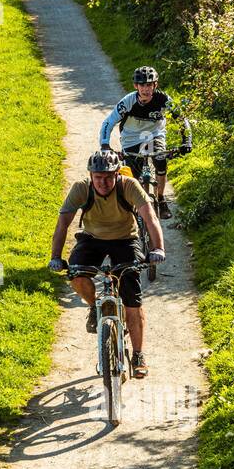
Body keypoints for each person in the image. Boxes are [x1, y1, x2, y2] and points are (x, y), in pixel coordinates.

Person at [48, 149, 165, 378]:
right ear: (90, 175)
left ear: (116, 174)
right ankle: (94, 306)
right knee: (76, 273)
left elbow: (150, 217)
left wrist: (158, 248)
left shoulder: (128, 186)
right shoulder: (81, 188)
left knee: (132, 295)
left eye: (108, 177)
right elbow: (62, 224)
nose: (103, 182)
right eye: (98, 177)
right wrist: (55, 257)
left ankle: (138, 354)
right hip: (92, 239)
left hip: (125, 240)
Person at [99, 66, 192, 218]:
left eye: (149, 85)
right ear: (136, 86)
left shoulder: (164, 100)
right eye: (142, 85)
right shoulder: (128, 102)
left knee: (160, 159)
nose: (146, 89)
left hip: (154, 135)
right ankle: (131, 209)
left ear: (155, 85)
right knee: (132, 180)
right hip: (131, 138)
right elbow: (108, 123)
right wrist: (104, 145)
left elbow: (182, 119)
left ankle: (161, 199)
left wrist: (186, 140)